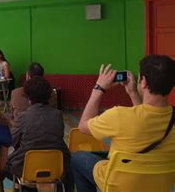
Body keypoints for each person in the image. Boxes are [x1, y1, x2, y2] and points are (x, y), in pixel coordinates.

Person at [72, 55, 175, 192]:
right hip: (159, 184)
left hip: (119, 185)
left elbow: (83, 127)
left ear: (143, 82)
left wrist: (99, 88)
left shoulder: (119, 116)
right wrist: (132, 92)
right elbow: (145, 118)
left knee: (78, 158)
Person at [3, 76, 74, 192]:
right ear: (49, 94)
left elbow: (12, 141)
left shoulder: (23, 117)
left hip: (25, 168)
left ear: (27, 96)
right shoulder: (57, 115)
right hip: (55, 167)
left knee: (1, 165)